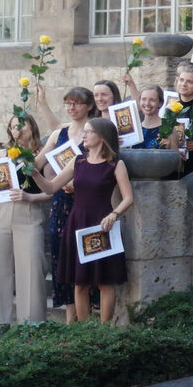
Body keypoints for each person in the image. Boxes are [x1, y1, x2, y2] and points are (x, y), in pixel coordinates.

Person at [31, 118, 133, 323]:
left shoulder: (115, 163)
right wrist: (33, 173)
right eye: (84, 131)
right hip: (77, 223)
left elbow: (128, 197)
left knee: (105, 282)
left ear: (101, 137)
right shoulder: (77, 161)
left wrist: (114, 214)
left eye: (88, 132)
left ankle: (103, 332)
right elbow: (51, 187)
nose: (83, 135)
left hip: (102, 224)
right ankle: (84, 333)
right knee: (80, 282)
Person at [0, 115, 48, 324]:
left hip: (29, 213)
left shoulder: (42, 156)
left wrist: (30, 196)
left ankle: (32, 325)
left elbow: (52, 190)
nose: (18, 130)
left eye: (22, 125)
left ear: (32, 126)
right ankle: (1, 324)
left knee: (32, 268)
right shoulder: (2, 154)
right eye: (14, 127)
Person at [40, 86, 93, 323]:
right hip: (61, 201)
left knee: (84, 256)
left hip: (85, 201)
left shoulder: (94, 131)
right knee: (61, 255)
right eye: (68, 103)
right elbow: (39, 161)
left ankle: (88, 315)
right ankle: (70, 316)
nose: (72, 108)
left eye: (77, 103)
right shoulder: (59, 133)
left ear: (89, 106)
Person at [130, 85, 166, 149]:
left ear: (160, 103)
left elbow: (176, 157)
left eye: (152, 100)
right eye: (144, 99)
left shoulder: (168, 129)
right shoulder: (135, 129)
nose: (147, 103)